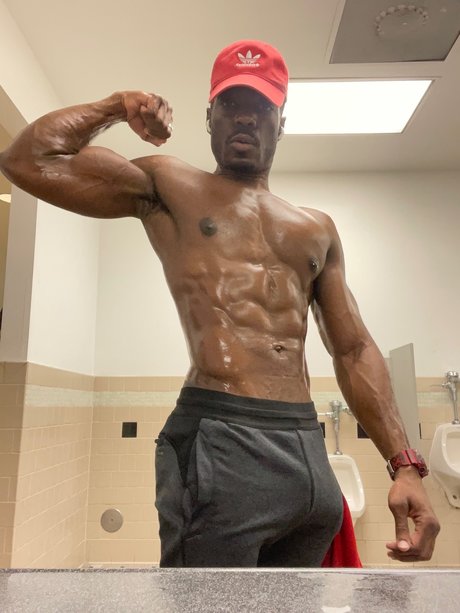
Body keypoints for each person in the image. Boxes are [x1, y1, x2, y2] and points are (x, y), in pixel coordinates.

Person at [0, 39, 439, 567]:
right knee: (206, 601)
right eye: (231, 104)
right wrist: (116, 105)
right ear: (210, 117)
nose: (245, 118)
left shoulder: (316, 228)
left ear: (281, 123)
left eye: (261, 107)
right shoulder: (168, 184)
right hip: (220, 434)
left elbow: (353, 348)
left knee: (294, 603)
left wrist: (404, 464)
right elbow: (27, 160)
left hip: (306, 445)